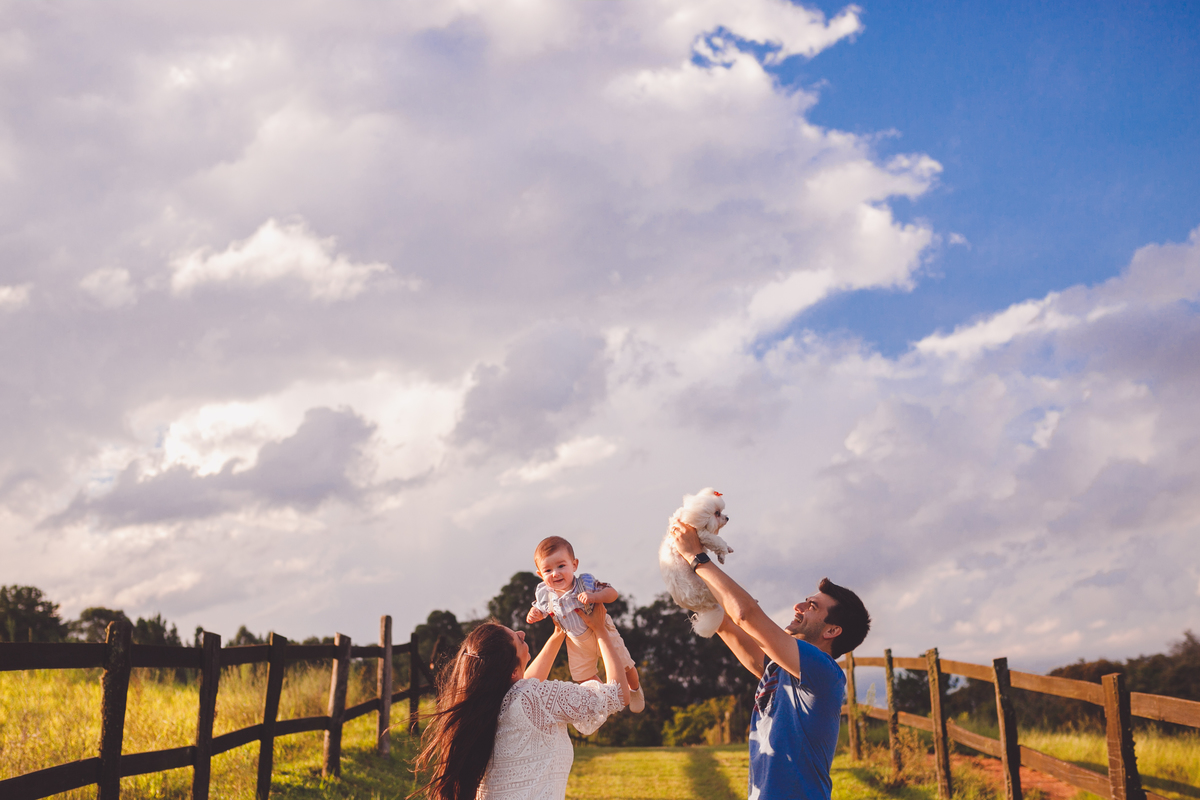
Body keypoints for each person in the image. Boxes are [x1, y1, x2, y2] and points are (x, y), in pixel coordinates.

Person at [670, 522, 871, 800]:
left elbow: (745, 614)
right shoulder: (781, 669)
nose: (798, 607)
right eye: (805, 601)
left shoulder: (823, 671)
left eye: (812, 607)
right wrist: (684, 567)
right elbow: (726, 624)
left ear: (832, 631)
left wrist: (697, 558)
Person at [412, 602, 629, 800]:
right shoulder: (535, 697)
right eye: (518, 639)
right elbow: (617, 695)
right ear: (513, 671)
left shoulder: (490, 702)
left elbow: (524, 684)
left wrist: (559, 633)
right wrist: (601, 630)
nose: (522, 632)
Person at [525, 535, 645, 712]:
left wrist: (595, 597)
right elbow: (540, 610)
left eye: (561, 566)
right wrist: (534, 614)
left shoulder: (585, 583)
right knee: (583, 676)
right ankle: (605, 694)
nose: (555, 573)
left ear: (574, 564)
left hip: (602, 632)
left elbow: (612, 593)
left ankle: (634, 689)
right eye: (548, 570)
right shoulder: (544, 593)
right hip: (575, 640)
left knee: (625, 666)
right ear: (540, 575)